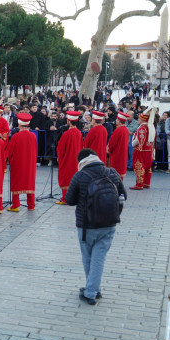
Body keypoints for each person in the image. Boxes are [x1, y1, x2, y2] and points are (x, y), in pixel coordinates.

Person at [65, 148, 126, 305]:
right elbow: (123, 195)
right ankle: (92, 287)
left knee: (89, 259)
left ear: (81, 162)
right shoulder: (112, 172)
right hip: (109, 224)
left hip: (87, 226)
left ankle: (91, 292)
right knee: (99, 258)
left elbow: (69, 200)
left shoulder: (80, 175)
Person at [6, 113, 38, 212]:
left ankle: (15, 205)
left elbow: (9, 151)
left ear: (19, 124)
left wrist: (8, 160)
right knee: (30, 182)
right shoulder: (33, 136)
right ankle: (31, 205)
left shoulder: (16, 136)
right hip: (30, 163)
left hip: (18, 163)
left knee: (16, 183)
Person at [56, 111, 83, 205]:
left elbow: (61, 147)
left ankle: (65, 198)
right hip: (76, 159)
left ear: (69, 121)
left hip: (67, 159)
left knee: (65, 177)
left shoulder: (67, 134)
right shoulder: (79, 133)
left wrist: (59, 157)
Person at [131, 112, 155, 190]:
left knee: (139, 166)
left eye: (139, 118)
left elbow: (138, 139)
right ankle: (146, 183)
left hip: (140, 150)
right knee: (147, 167)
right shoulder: (151, 127)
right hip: (148, 149)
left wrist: (133, 144)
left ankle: (139, 184)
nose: (138, 119)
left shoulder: (142, 128)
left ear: (142, 119)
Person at [107, 111, 130, 180]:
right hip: (123, 152)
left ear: (119, 121)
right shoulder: (126, 130)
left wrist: (108, 150)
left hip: (116, 153)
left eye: (117, 119)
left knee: (114, 170)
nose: (116, 121)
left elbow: (112, 143)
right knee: (120, 172)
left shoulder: (118, 130)